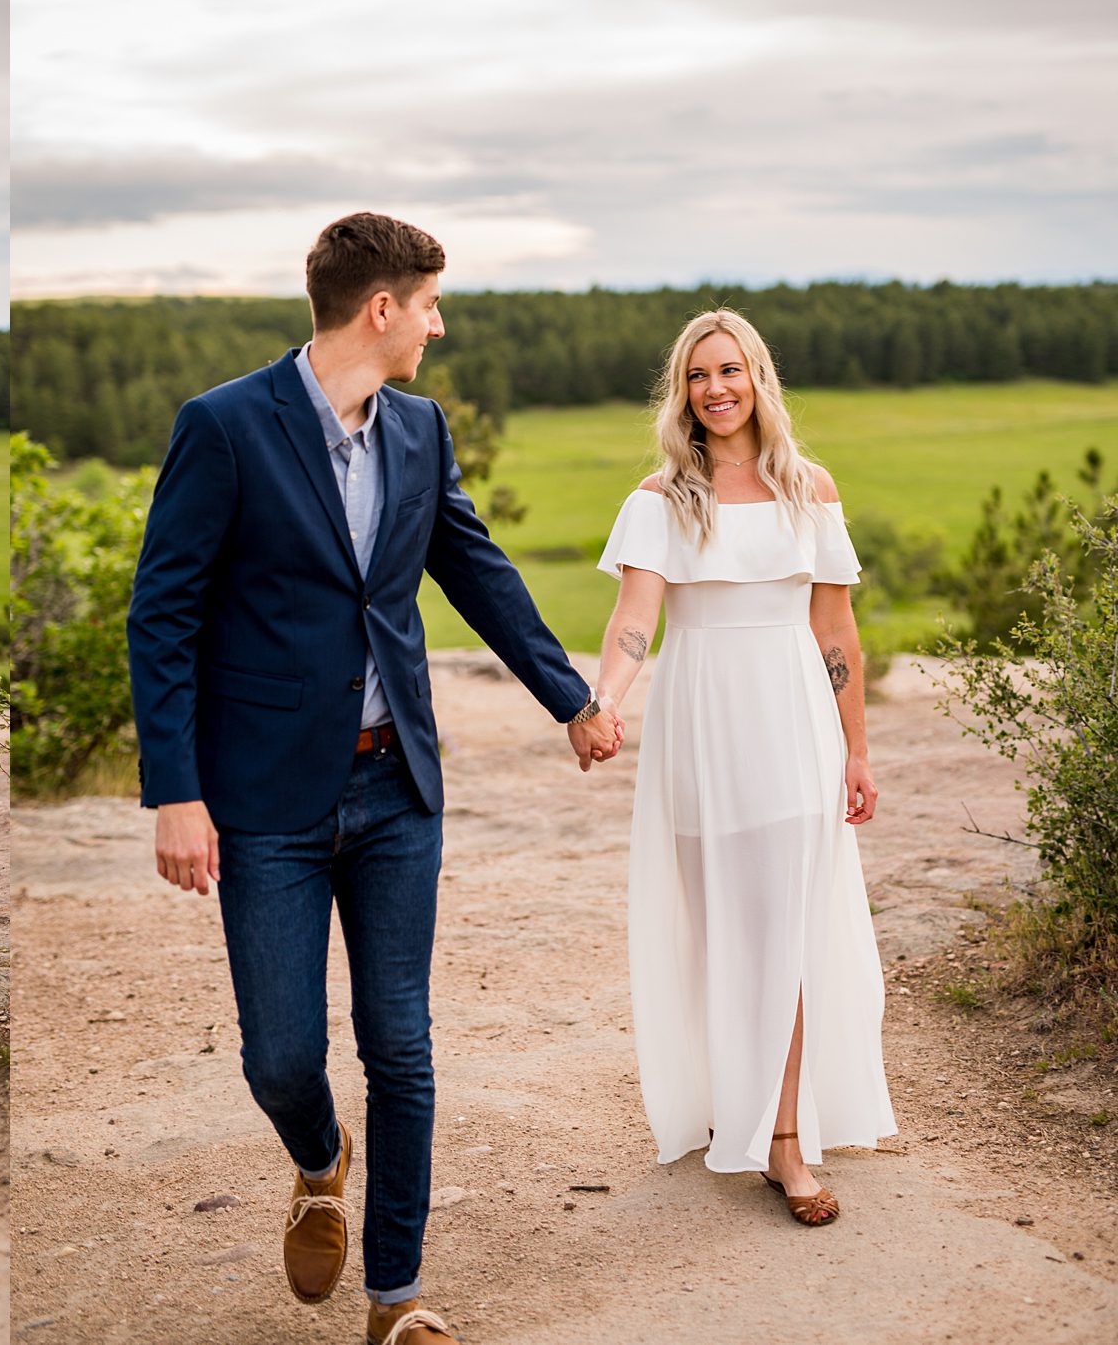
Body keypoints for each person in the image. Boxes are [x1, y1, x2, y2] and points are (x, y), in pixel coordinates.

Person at [129, 213, 620, 1345]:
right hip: (262, 801)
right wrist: (176, 789)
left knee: (399, 1045)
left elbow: (474, 568)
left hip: (396, 786)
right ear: (379, 308)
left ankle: (394, 1299)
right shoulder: (223, 427)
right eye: (430, 305)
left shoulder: (419, 430)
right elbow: (161, 615)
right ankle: (315, 1155)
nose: (438, 327)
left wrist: (571, 700)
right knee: (281, 1055)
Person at [590, 307, 893, 1224]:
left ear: (758, 377)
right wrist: (605, 700)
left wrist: (857, 749)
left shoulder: (811, 491)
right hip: (701, 725)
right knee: (723, 929)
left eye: (730, 371)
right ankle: (739, 1106)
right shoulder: (659, 497)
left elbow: (835, 631)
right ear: (681, 392)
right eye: (696, 376)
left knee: (785, 932)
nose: (715, 389)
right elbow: (636, 618)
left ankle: (787, 1140)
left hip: (793, 719)